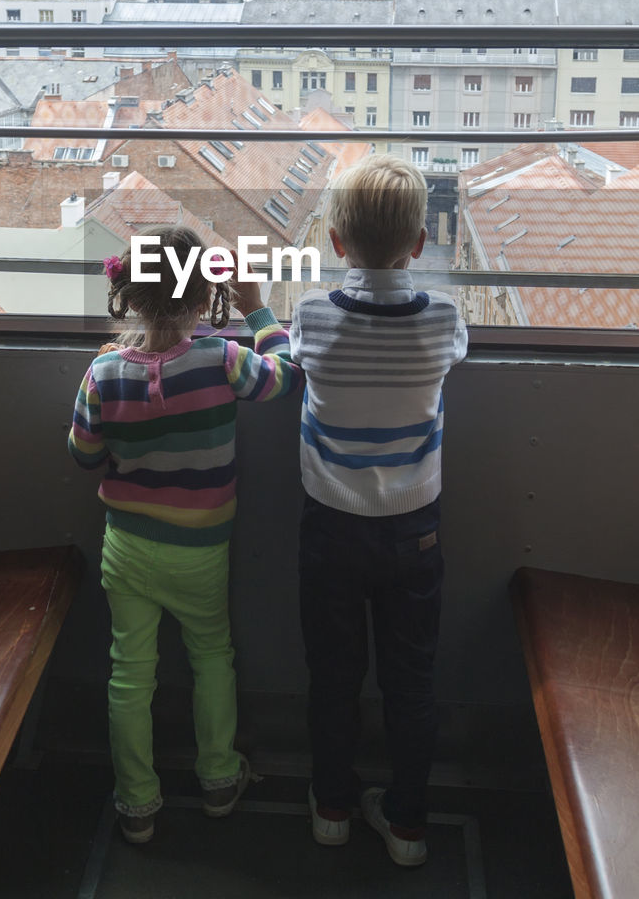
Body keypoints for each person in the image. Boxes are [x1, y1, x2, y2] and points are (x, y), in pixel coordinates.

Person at [69, 226, 301, 845]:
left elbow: (84, 453)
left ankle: (138, 803)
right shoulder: (222, 360)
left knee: (129, 671)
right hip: (201, 550)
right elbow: (284, 376)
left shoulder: (103, 372)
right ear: (205, 299)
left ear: (131, 295)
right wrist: (256, 308)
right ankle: (220, 779)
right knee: (211, 656)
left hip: (126, 547)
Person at [290, 154, 467, 867]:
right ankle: (408, 824)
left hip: (330, 526)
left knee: (333, 677)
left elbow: (291, 353)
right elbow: (452, 354)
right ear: (420, 243)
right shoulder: (444, 317)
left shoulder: (311, 314)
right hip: (414, 530)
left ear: (335, 242)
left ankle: (331, 806)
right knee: (411, 679)